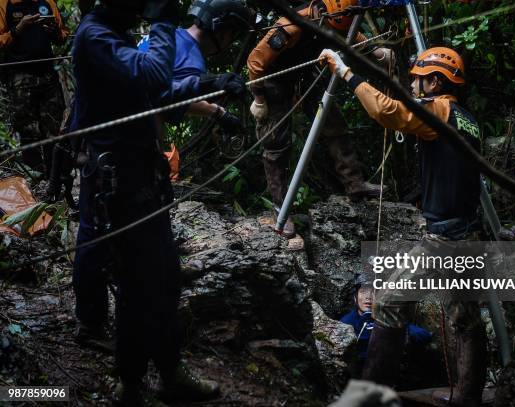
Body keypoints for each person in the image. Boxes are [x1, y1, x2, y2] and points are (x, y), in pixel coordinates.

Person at [319, 47, 487, 406]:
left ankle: (370, 398)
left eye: (419, 78)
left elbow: (387, 111)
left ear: (437, 81)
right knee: (466, 319)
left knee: (390, 304)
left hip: (444, 239)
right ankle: (469, 398)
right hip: (469, 235)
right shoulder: (468, 118)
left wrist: (347, 73)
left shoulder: (440, 109)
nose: (414, 83)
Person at [71, 0, 219, 404]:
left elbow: (151, 94)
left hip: (138, 178)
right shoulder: (94, 37)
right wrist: (163, 23)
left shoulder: (110, 36)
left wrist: (206, 86)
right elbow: (152, 77)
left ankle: (162, 374)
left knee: (161, 278)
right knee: (139, 284)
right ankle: (136, 381)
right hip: (119, 185)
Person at [246, 0, 394, 238]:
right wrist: (259, 99)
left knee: (333, 123)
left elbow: (349, 35)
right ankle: (281, 208)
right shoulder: (289, 27)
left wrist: (375, 52)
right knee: (276, 143)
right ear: (318, 10)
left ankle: (354, 183)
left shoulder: (337, 18)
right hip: (274, 78)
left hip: (306, 75)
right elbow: (255, 62)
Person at [137, 0, 253, 132]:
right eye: (232, 36)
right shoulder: (192, 63)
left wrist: (218, 112)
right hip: (133, 133)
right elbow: (169, 100)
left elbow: (176, 93)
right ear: (223, 33)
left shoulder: (170, 33)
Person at [0, 0, 68, 176]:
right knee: (28, 130)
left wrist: (54, 31)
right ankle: (36, 180)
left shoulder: (47, 2)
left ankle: (56, 179)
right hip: (19, 76)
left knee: (53, 127)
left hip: (47, 73)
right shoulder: (5, 4)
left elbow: (62, 36)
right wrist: (17, 29)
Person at [340, 274, 431, 375]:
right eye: (363, 292)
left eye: (374, 292)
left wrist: (398, 335)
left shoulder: (387, 318)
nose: (368, 297)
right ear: (355, 297)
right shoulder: (347, 321)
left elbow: (423, 335)